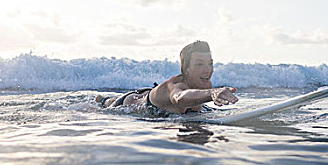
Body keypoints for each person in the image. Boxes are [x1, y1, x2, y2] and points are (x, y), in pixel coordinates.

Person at [95, 40, 238, 114]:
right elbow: (179, 98)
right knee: (107, 103)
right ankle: (102, 99)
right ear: (186, 69)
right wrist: (212, 94)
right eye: (200, 64)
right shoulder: (176, 86)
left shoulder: (204, 84)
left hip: (155, 96)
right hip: (129, 101)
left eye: (210, 63)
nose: (207, 69)